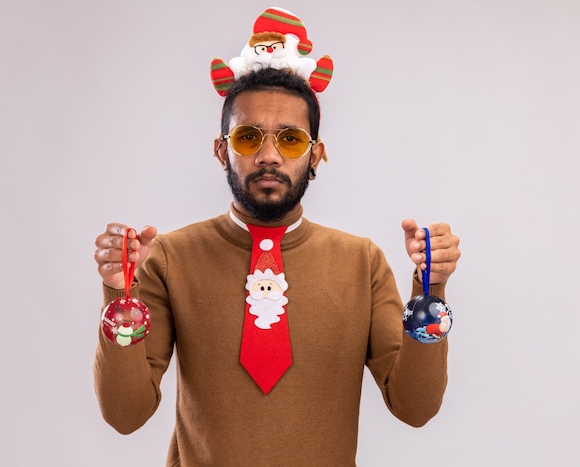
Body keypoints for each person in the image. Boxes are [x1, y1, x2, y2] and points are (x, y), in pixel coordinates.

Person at [93, 10, 460, 467]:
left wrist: (431, 289)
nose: (268, 155)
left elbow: (415, 408)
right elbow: (125, 415)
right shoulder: (171, 257)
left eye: (290, 140)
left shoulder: (361, 262)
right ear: (222, 150)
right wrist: (119, 291)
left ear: (316, 156)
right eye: (248, 137)